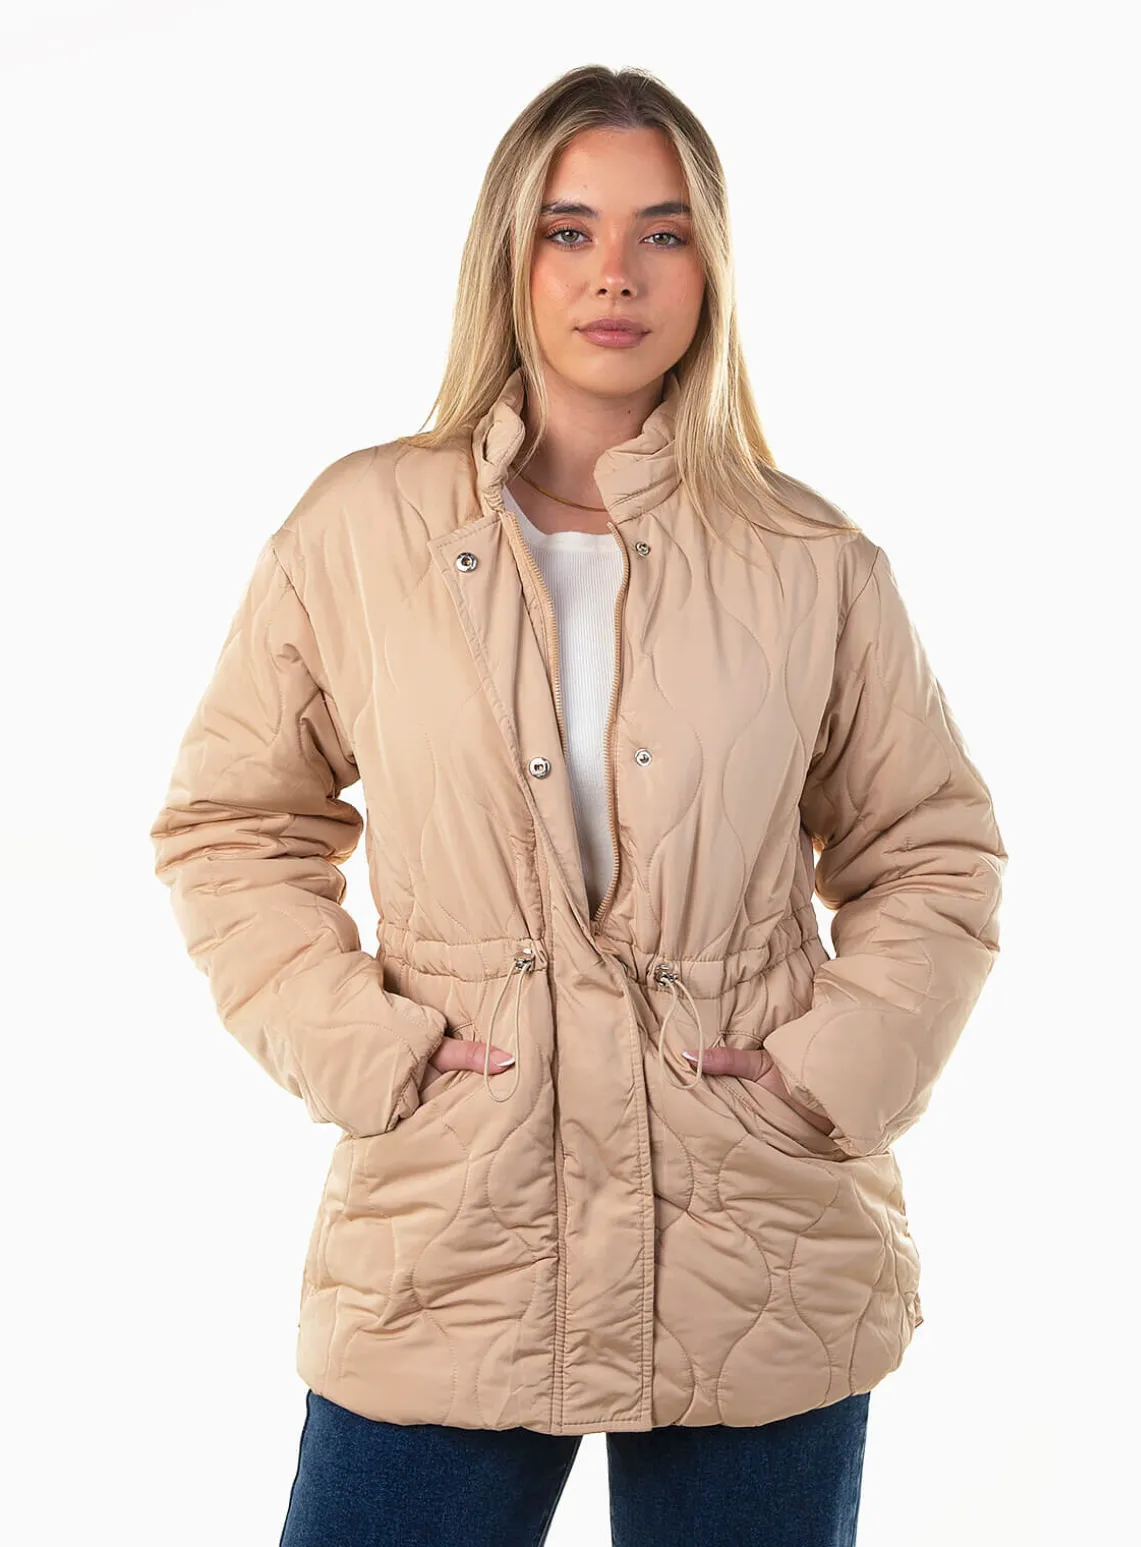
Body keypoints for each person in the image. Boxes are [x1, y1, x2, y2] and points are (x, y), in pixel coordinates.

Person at [149, 63, 1006, 1547]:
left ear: (710, 266)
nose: (618, 273)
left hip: (757, 1231)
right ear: (510, 254)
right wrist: (372, 1050)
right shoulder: (360, 532)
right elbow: (232, 825)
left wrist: (828, 1072)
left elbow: (930, 847)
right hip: (454, 1221)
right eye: (571, 230)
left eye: (663, 232)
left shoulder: (812, 561)